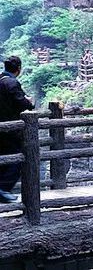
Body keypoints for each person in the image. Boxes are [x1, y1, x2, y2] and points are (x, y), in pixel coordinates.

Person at [0, 56, 34, 203]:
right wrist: (30, 102)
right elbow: (22, 103)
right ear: (19, 69)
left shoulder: (1, 80)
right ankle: (3, 188)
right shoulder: (12, 83)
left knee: (3, 158)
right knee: (18, 158)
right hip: (10, 128)